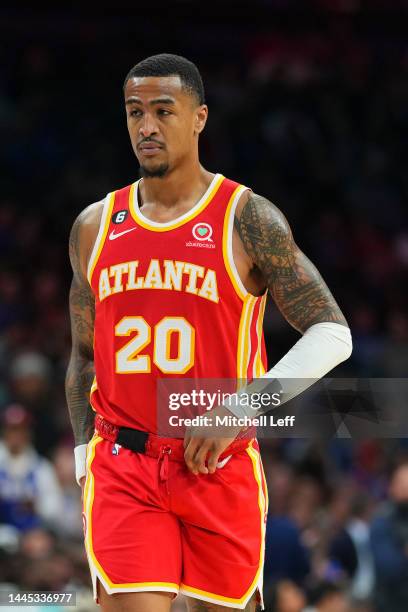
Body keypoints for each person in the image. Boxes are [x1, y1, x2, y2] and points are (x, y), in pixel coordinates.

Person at [66, 53, 352, 611]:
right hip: (124, 468)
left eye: (163, 111)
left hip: (216, 466)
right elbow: (83, 354)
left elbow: (331, 332)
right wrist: (84, 455)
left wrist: (241, 409)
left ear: (199, 117)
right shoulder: (95, 226)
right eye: (134, 112)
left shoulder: (247, 218)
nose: (146, 127)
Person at [370, 457, 408, 611]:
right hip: (391, 604)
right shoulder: (383, 520)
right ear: (392, 487)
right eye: (403, 484)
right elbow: (389, 568)